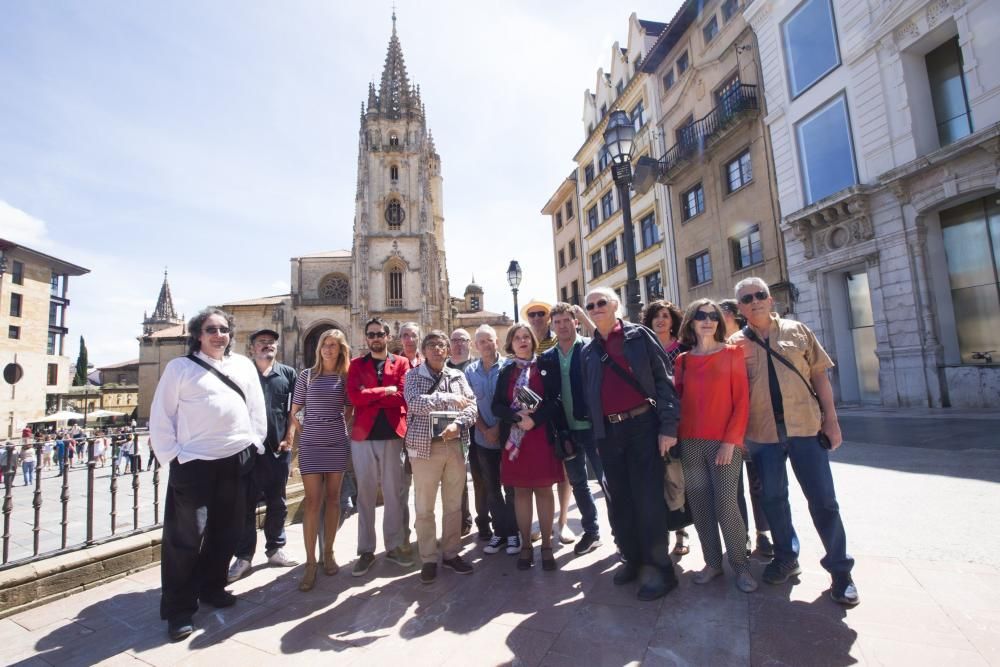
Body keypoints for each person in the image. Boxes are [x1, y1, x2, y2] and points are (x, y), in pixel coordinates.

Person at [728, 277, 859, 606]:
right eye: (747, 298)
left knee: (824, 502)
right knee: (773, 499)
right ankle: (786, 556)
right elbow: (734, 395)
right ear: (740, 307)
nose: (754, 301)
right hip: (762, 435)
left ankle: (841, 571)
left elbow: (819, 375)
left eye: (760, 295)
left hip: (805, 429)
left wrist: (832, 420)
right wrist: (738, 435)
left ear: (770, 299)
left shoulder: (798, 330)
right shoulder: (734, 344)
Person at [149, 307, 268, 641]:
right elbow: (161, 416)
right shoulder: (180, 368)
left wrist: (255, 443)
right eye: (211, 329)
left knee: (227, 531)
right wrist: (174, 456)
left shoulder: (242, 365)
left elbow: (256, 407)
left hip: (236, 459)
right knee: (185, 537)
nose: (219, 335)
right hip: (194, 464)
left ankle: (212, 587)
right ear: (198, 335)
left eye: (224, 329)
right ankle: (178, 609)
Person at [580, 287, 680, 601]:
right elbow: (590, 395)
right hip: (609, 434)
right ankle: (633, 558)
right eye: (590, 305)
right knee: (619, 501)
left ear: (616, 306)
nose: (595, 308)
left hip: (642, 425)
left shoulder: (639, 337)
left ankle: (661, 569)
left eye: (601, 303)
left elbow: (664, 381)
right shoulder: (588, 351)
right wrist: (598, 437)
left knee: (647, 499)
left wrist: (668, 426)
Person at [673, 299, 756, 593]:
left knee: (726, 505)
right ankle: (712, 563)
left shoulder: (733, 354)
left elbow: (741, 403)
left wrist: (730, 443)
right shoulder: (683, 360)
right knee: (700, 505)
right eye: (700, 316)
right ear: (691, 323)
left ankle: (741, 566)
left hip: (723, 444)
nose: (707, 320)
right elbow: (678, 403)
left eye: (712, 316)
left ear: (719, 321)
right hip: (691, 443)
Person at [403, 330, 478, 584]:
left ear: (447, 350)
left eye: (442, 345)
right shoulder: (412, 376)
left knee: (454, 505)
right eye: (432, 345)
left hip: (454, 445)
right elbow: (415, 403)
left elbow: (472, 406)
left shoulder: (458, 376)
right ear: (424, 351)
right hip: (425, 448)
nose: (437, 349)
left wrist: (458, 424)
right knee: (424, 507)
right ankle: (427, 558)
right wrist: (448, 399)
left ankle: (451, 553)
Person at [227, 328, 300, 584]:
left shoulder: (288, 374)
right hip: (247, 449)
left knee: (277, 501)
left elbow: (295, 409)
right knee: (244, 503)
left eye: (271, 343)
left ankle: (275, 549)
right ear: (252, 349)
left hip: (278, 449)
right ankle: (244, 556)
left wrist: (290, 437)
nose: (267, 346)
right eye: (262, 342)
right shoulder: (242, 374)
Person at [493, 324, 565, 572]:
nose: (522, 341)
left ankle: (546, 546)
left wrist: (534, 420)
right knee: (521, 493)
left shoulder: (545, 366)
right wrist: (516, 418)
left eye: (526, 337)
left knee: (544, 491)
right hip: (515, 441)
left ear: (532, 341)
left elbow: (556, 400)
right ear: (510, 344)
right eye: (517, 338)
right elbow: (497, 406)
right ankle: (526, 546)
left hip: (541, 436)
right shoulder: (505, 372)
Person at [346, 318, 414, 577]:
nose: (375, 338)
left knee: (394, 493)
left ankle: (395, 546)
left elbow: (402, 395)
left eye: (379, 334)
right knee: (364, 494)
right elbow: (354, 398)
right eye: (371, 334)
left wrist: (371, 393)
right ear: (366, 338)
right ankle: (366, 550)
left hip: (392, 436)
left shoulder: (402, 363)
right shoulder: (356, 364)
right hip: (363, 436)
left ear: (387, 336)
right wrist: (386, 390)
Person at [287, 329, 353, 592]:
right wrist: (309, 430)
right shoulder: (307, 376)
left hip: (336, 443)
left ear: (340, 350)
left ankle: (329, 553)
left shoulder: (345, 377)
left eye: (333, 345)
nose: (328, 349)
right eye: (325, 344)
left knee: (334, 499)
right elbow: (295, 411)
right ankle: (310, 563)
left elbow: (349, 409)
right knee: (313, 502)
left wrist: (336, 427)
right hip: (312, 445)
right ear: (319, 348)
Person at [540, 303, 605, 556]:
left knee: (606, 480)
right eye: (557, 322)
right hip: (566, 431)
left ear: (575, 321)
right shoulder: (547, 357)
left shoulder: (590, 348)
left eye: (567, 320)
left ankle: (623, 536)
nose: (563, 326)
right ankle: (592, 531)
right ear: (552, 326)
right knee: (578, 483)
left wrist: (586, 318)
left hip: (594, 427)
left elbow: (605, 340)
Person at [720, 298, 773, 558]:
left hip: (754, 425)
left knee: (758, 483)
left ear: (734, 316)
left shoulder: (748, 342)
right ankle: (742, 537)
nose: (716, 319)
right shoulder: (716, 347)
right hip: (725, 428)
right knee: (733, 487)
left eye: (722, 314)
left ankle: (765, 534)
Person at [641, 299, 692, 557]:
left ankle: (681, 532)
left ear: (672, 320)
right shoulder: (641, 350)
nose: (660, 320)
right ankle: (660, 531)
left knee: (676, 478)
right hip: (649, 422)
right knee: (656, 480)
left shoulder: (683, 349)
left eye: (664, 315)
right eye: (654, 316)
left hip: (679, 422)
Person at [521, 299, 573, 546]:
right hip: (535, 419)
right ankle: (541, 523)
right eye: (532, 314)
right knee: (537, 473)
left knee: (564, 472)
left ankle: (562, 522)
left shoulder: (557, 342)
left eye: (542, 313)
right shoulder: (525, 345)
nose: (537, 317)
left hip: (561, 414)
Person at [465, 325, 520, 556]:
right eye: (481, 342)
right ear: (475, 346)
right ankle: (499, 532)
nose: (486, 345)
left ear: (496, 342)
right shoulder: (469, 371)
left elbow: (515, 400)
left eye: (489, 340)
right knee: (491, 488)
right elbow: (468, 403)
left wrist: (498, 427)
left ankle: (514, 533)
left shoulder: (510, 366)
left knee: (512, 488)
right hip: (482, 438)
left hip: (507, 437)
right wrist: (485, 429)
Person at [449, 328, 488, 539]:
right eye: (454, 340)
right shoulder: (444, 368)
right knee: (457, 480)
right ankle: (463, 520)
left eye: (462, 340)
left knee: (481, 478)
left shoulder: (476, 367)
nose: (458, 344)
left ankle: (484, 521)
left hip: (477, 431)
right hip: (453, 432)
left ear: (469, 344)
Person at [397, 321, 421, 551]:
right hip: (401, 434)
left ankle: (424, 533)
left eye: (413, 335)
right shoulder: (394, 364)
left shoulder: (429, 363)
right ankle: (403, 536)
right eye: (405, 335)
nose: (409, 339)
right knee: (402, 488)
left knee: (425, 489)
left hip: (425, 435)